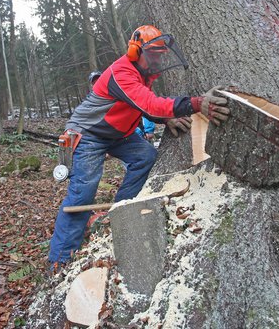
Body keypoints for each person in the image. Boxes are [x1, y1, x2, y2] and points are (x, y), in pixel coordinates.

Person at [48, 25, 230, 272]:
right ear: (136, 52)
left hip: (119, 133)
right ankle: (60, 258)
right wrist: (197, 104)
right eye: (153, 53)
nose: (157, 59)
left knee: (146, 157)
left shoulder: (145, 75)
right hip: (89, 133)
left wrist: (165, 119)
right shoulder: (122, 72)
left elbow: (140, 107)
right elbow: (149, 103)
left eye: (159, 54)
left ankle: (121, 212)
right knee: (84, 191)